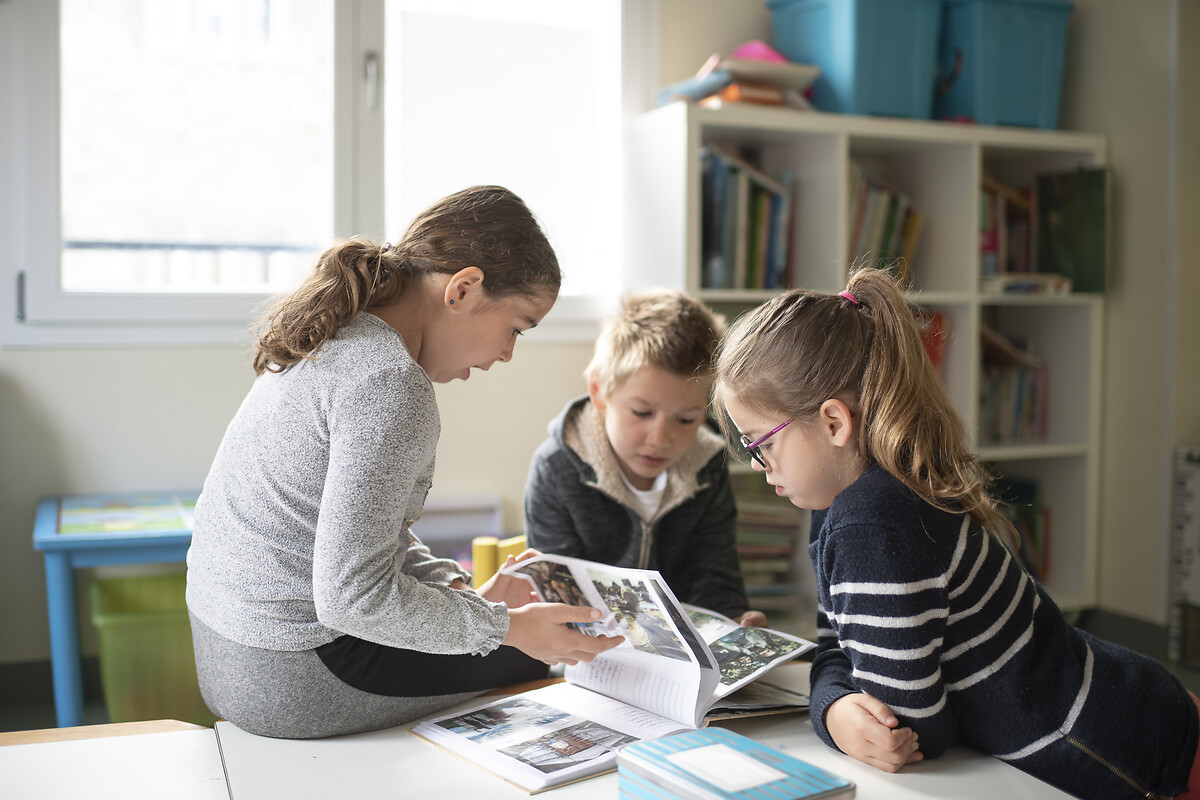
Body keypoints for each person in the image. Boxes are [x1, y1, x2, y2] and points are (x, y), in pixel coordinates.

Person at [711, 267, 1200, 799]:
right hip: (1124, 705)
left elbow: (913, 732)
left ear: (833, 423)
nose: (758, 465)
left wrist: (832, 712)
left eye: (760, 443)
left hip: (1129, 747)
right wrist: (833, 704)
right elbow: (837, 644)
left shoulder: (871, 522)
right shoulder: (842, 501)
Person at [185, 185, 622, 740]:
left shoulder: (343, 336)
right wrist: (508, 629)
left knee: (507, 640)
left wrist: (461, 593)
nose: (507, 355)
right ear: (463, 289)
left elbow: (365, 538)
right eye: (516, 327)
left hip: (228, 655)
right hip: (294, 676)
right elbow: (352, 598)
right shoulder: (390, 384)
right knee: (543, 662)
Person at [524, 289, 765, 626]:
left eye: (685, 420)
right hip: (590, 647)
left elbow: (715, 576)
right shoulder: (556, 469)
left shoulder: (708, 467)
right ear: (599, 391)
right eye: (641, 412)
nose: (660, 438)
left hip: (681, 652)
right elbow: (560, 597)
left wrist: (733, 621)